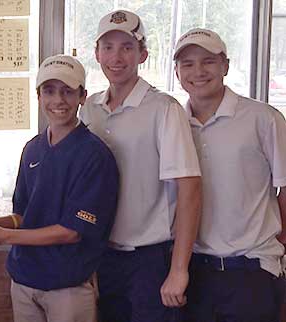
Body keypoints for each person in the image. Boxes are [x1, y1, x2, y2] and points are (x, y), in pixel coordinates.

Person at [0, 54, 119, 322]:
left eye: (67, 92)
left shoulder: (95, 156)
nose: (58, 100)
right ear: (38, 95)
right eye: (49, 91)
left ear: (82, 96)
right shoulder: (32, 149)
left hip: (67, 286)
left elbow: (71, 232)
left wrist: (3, 236)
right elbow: (23, 216)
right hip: (24, 281)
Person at [79, 9, 202, 322]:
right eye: (108, 47)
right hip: (105, 257)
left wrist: (178, 269)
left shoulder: (164, 109)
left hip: (152, 260)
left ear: (142, 54)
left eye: (127, 47)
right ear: (96, 53)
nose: (116, 57)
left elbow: (190, 190)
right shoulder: (90, 108)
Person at [174, 28, 286, 322]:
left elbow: (285, 189)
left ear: (225, 65)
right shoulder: (173, 125)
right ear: (177, 72)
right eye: (187, 64)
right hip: (193, 271)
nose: (198, 71)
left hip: (251, 270)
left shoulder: (264, 119)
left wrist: (279, 249)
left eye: (208, 61)